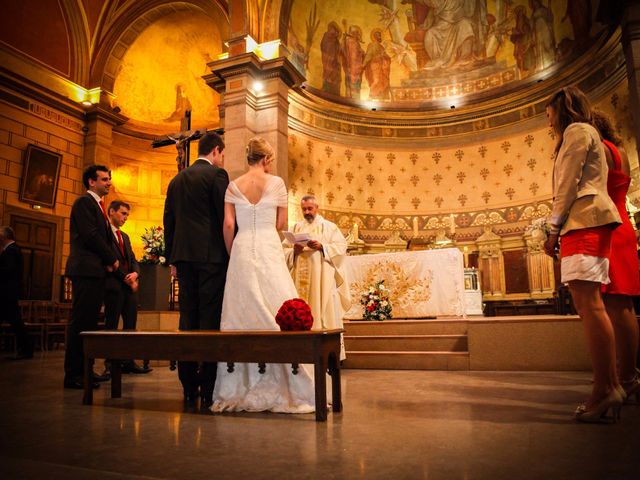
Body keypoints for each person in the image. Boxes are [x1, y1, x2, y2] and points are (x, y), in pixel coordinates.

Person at [211, 137, 315, 414]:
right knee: (276, 298)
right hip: (268, 245)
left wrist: (234, 254)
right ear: (266, 159)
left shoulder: (233, 185)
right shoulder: (277, 183)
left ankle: (238, 383)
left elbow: (228, 224)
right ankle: (287, 375)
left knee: (240, 311)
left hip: (243, 246)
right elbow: (281, 224)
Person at [543, 87, 623, 422]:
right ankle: (613, 384)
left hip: (584, 221)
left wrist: (552, 228)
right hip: (588, 221)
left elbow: (568, 185)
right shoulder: (590, 133)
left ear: (563, 110)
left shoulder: (577, 131)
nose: (550, 125)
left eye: (550, 117)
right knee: (591, 305)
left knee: (589, 306)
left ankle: (604, 390)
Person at [163, 132, 229, 411]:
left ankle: (188, 385)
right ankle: (208, 387)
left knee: (187, 318)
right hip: (211, 257)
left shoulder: (176, 180)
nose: (222, 159)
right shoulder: (217, 176)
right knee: (209, 321)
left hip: (184, 258)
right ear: (216, 151)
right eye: (222, 154)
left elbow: (169, 220)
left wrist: (172, 259)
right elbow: (223, 217)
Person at [591, 110, 640, 402]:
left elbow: (594, 192)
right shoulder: (619, 150)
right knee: (623, 307)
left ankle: (624, 376)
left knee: (615, 307)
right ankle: (628, 373)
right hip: (623, 226)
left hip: (608, 228)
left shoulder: (601, 151)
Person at [64, 165, 119, 390]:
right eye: (104, 179)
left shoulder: (98, 206)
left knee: (89, 324)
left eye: (109, 179)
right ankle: (74, 374)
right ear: (91, 182)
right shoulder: (84, 203)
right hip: (85, 270)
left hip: (94, 271)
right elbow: (91, 236)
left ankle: (86, 371)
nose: (109, 183)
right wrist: (111, 259)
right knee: (81, 324)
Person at [283, 195, 351, 360]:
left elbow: (341, 248)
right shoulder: (295, 227)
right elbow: (282, 251)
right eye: (304, 209)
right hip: (299, 277)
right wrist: (294, 251)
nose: (307, 212)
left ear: (317, 208)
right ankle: (301, 353)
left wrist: (322, 247)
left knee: (323, 309)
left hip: (322, 280)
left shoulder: (329, 227)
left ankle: (328, 356)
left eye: (310, 208)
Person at [102, 200, 151, 376]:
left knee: (130, 326)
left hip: (129, 289)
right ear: (112, 212)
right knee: (112, 326)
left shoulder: (125, 237)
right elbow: (109, 262)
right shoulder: (105, 234)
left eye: (127, 215)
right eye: (123, 213)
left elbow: (133, 260)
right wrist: (126, 278)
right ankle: (110, 363)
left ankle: (128, 361)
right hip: (114, 286)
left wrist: (136, 275)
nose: (126, 218)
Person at [0, 226, 33, 359]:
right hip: (8, 293)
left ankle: (27, 348)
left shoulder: (11, 251)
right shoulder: (12, 250)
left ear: (4, 237)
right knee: (16, 322)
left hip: (7, 293)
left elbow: (7, 270)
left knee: (17, 323)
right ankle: (26, 348)